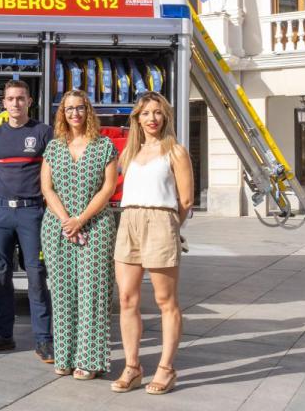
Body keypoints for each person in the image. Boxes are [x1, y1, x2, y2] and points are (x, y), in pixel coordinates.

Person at [111, 91, 193, 395]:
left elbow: (185, 199)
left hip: (161, 220)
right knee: (127, 300)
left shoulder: (175, 151)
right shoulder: (129, 153)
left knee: (165, 302)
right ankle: (132, 367)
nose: (152, 118)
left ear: (166, 116)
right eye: (145, 113)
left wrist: (170, 228)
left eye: (157, 113)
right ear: (137, 118)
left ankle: (166, 368)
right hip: (128, 221)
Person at [40, 90, 118, 379]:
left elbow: (108, 189)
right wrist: (66, 221)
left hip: (95, 226)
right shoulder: (54, 147)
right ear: (62, 113)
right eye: (69, 109)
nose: (74, 113)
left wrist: (81, 219)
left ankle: (89, 360)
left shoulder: (105, 146)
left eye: (80, 108)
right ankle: (64, 357)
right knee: (62, 294)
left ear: (88, 111)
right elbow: (47, 188)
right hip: (57, 228)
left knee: (92, 294)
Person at [0, 79, 54, 363]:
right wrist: (0, 192)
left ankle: (44, 340)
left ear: (29, 101)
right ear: (4, 103)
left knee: (36, 275)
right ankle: (3, 335)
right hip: (1, 212)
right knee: (1, 274)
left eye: (21, 98)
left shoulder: (43, 133)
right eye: (11, 99)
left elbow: (52, 170)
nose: (16, 103)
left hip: (31, 212)